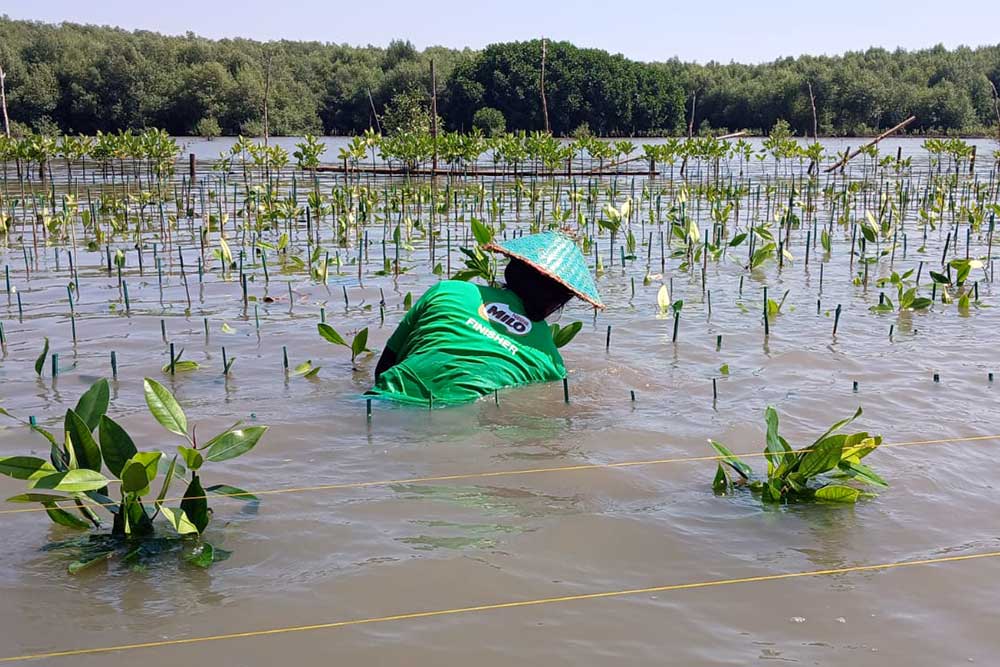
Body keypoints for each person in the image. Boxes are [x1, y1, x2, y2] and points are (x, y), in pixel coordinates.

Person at [367, 231, 604, 406]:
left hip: (380, 401)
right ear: (558, 302)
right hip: (458, 423)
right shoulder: (551, 363)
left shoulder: (447, 290)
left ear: (511, 269)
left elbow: (383, 368)